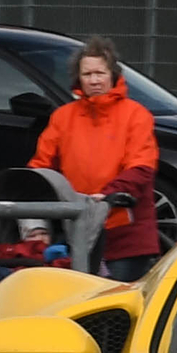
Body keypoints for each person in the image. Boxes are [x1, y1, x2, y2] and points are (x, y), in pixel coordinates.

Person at [29, 36, 160, 282]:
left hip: (125, 231)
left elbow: (141, 166)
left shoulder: (136, 115)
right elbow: (41, 166)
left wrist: (110, 195)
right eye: (87, 74)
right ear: (79, 78)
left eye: (100, 73)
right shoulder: (63, 117)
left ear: (113, 74)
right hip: (76, 228)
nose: (94, 80)